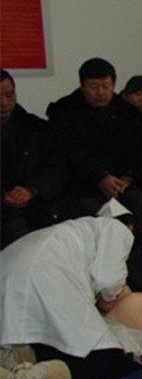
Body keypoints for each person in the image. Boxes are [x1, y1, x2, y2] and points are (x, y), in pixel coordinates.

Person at [0, 199, 140, 379]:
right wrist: (109, 297)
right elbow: (108, 279)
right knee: (110, 361)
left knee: (50, 343)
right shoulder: (115, 227)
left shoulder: (69, 231)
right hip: (43, 278)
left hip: (11, 272)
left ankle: (18, 357)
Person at [46, 58, 142, 290]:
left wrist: (129, 177)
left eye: (106, 86)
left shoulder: (127, 112)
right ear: (82, 86)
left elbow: (140, 153)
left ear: (114, 85)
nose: (101, 92)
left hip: (123, 184)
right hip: (84, 186)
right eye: (94, 87)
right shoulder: (65, 111)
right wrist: (100, 176)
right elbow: (69, 155)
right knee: (94, 220)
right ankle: (99, 284)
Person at [1, 69, 67, 248]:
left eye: (9, 95)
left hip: (37, 204)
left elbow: (56, 166)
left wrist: (32, 189)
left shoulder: (35, 127)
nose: (4, 103)